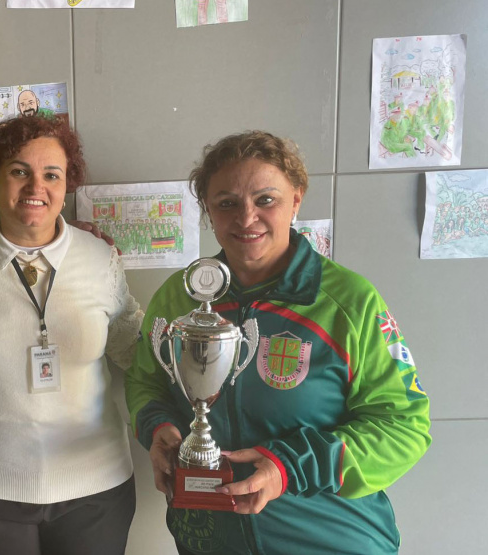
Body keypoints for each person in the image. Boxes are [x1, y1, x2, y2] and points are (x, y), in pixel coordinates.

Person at [125, 131, 431, 555]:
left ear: (296, 200)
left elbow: (403, 427)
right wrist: (157, 427)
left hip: (328, 539)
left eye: (265, 199)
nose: (246, 218)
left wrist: (290, 466)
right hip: (209, 538)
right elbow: (145, 381)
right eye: (227, 203)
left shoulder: (349, 302)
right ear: (208, 211)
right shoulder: (178, 298)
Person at [0, 115, 143, 555]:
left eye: (51, 174)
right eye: (19, 171)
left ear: (66, 186)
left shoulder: (100, 259)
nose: (35, 186)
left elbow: (133, 349)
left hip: (96, 486)